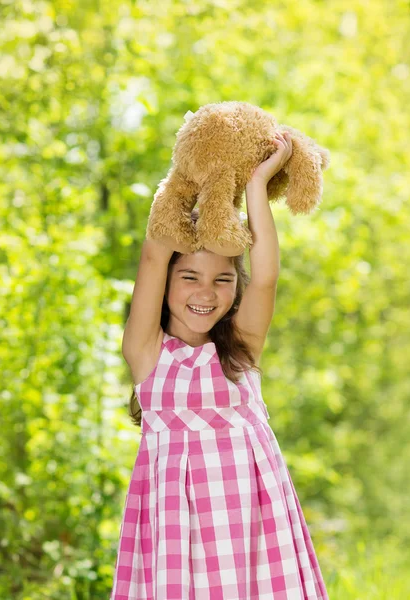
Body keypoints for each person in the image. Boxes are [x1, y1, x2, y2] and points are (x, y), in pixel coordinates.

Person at [111, 131, 329, 599]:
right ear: (167, 283)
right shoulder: (146, 353)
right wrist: (191, 178)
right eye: (189, 277)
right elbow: (153, 253)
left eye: (222, 280)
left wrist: (256, 184)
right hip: (176, 530)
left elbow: (266, 275)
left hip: (252, 525)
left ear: (235, 289)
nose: (205, 292)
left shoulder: (241, 350)